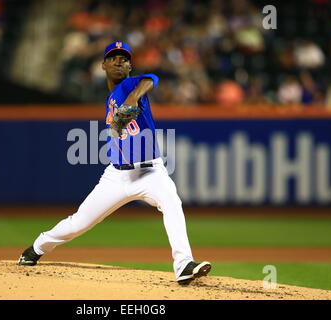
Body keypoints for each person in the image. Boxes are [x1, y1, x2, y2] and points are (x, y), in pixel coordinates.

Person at [17, 41, 211, 285]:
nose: (119, 62)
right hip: (116, 176)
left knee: (171, 201)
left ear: (130, 67)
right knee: (80, 222)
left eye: (125, 59)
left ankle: (184, 265)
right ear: (103, 65)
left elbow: (150, 79)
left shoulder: (131, 85)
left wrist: (132, 99)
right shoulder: (110, 97)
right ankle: (36, 248)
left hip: (151, 172)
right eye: (113, 58)